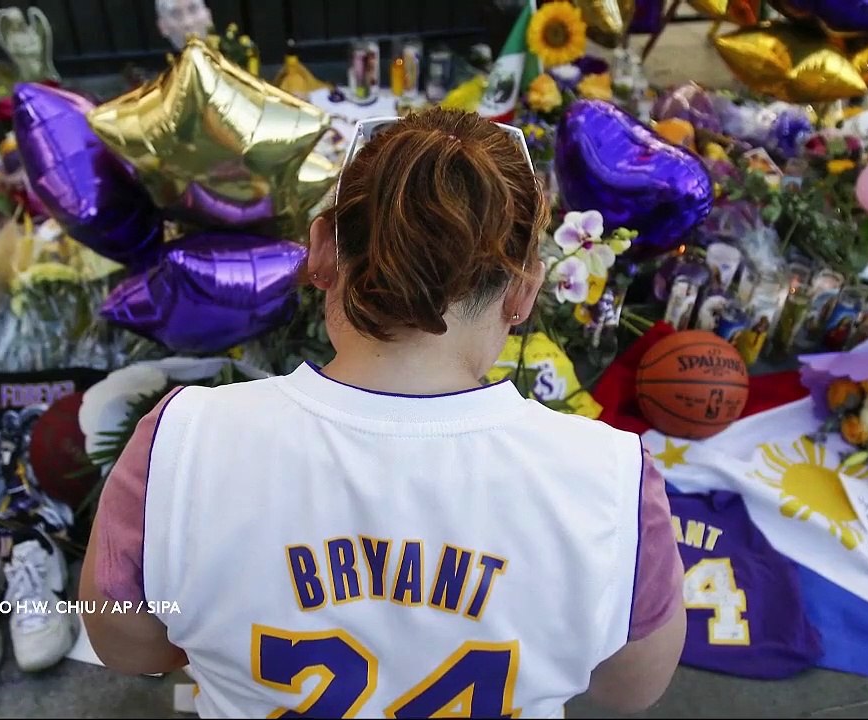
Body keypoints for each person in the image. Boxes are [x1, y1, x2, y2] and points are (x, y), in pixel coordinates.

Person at [81, 108, 686, 718]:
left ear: (319, 251)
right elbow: (629, 690)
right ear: (525, 289)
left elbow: (125, 646)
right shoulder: (611, 478)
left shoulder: (182, 441)